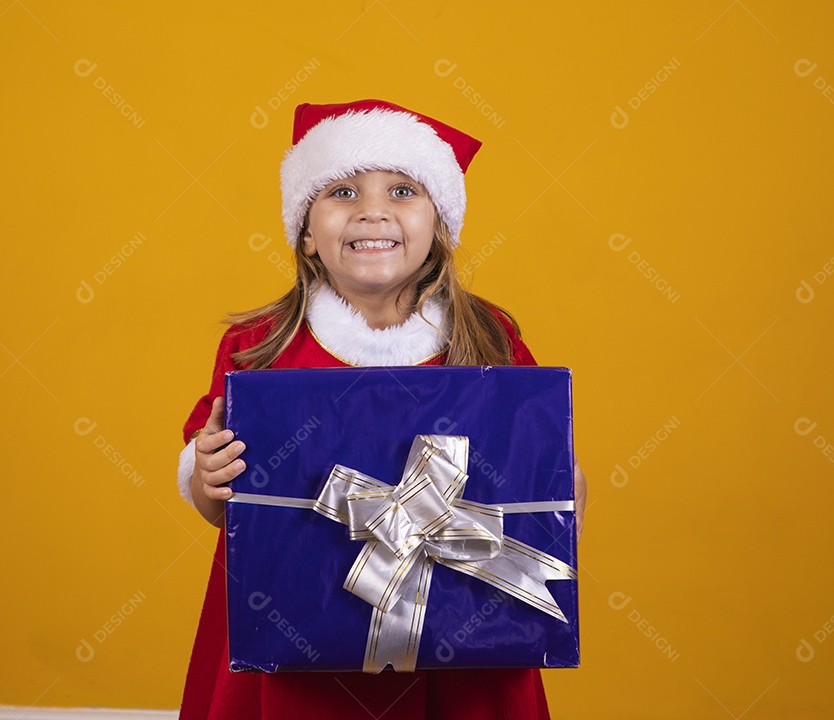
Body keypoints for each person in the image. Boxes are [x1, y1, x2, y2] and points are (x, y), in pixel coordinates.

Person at [175, 99, 587, 720]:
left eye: (402, 190)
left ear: (440, 225)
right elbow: (220, 508)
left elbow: (550, 491)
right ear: (307, 234)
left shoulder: (491, 339)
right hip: (294, 634)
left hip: (466, 635)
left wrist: (555, 486)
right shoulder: (258, 348)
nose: (373, 210)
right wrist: (206, 476)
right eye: (342, 191)